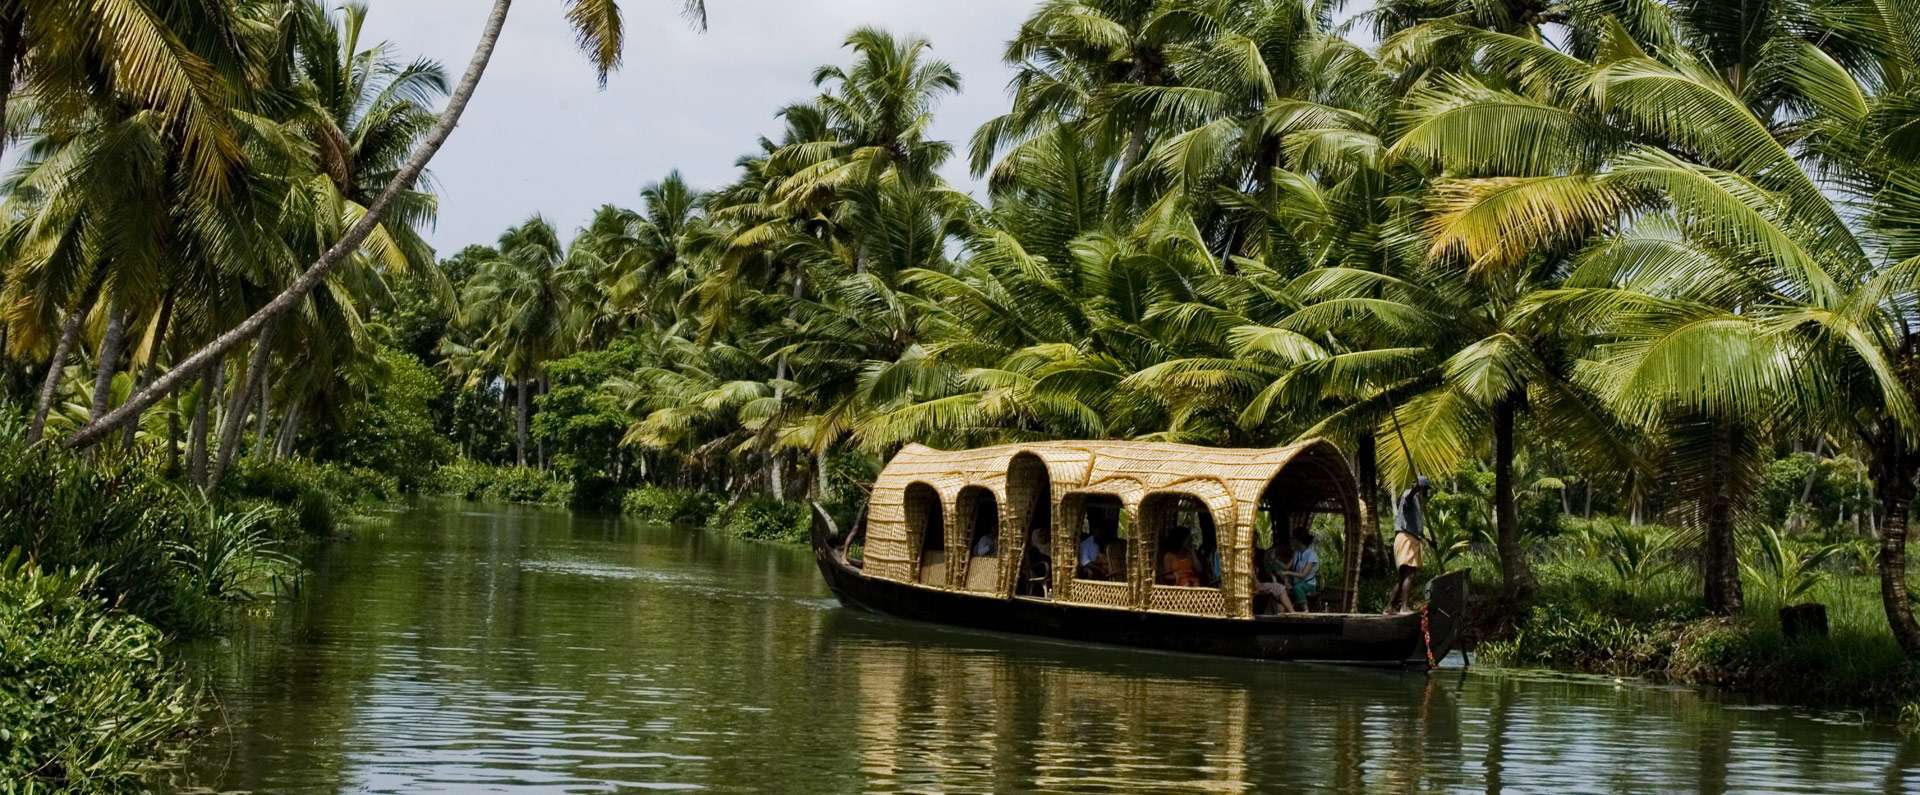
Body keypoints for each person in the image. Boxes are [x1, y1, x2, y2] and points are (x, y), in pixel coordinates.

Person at [1387, 476, 1431, 614]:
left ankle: (1389, 607)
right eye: (1425, 490)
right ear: (1421, 489)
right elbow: (1407, 500)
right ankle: (1404, 607)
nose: (1427, 493)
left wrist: (1428, 540)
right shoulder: (1410, 495)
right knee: (1409, 574)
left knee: (1403, 577)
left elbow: (1415, 527)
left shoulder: (1418, 503)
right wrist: (1415, 489)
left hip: (1409, 538)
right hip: (1406, 539)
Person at [1286, 530, 1320, 612]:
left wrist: (1287, 573)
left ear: (1298, 541)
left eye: (1293, 539)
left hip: (1309, 584)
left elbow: (1303, 575)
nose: (1291, 541)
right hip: (1295, 582)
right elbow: (1287, 566)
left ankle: (1305, 610)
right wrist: (1275, 560)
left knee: (1298, 587)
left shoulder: (1312, 554)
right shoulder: (1296, 553)